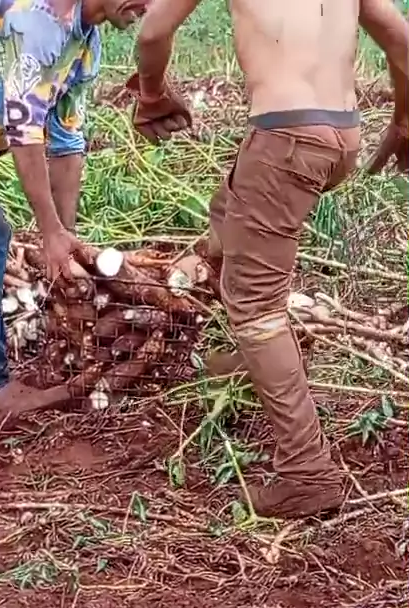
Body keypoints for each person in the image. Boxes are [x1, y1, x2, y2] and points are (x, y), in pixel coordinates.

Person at [129, 0, 409, 519]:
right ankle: (256, 364)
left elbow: (152, 32)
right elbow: (401, 39)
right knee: (228, 214)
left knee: (256, 307)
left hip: (286, 137)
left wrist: (151, 95)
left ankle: (307, 472)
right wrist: (406, 120)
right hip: (341, 135)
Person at [0, 0, 147, 414]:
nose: (149, 6)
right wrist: (49, 233)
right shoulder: (42, 17)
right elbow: (24, 128)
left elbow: (65, 141)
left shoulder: (85, 46)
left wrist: (66, 239)